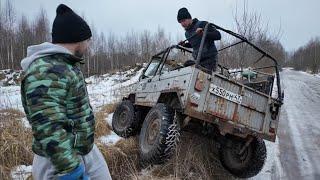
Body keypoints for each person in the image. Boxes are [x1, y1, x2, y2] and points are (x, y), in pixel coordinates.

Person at [20, 4, 112, 180]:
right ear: (77, 39)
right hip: (59, 160)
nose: (88, 44)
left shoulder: (64, 65)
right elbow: (48, 126)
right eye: (87, 40)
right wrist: (70, 170)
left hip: (82, 150)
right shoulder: (46, 71)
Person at [177, 7, 221, 72]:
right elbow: (195, 44)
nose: (182, 24)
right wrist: (184, 45)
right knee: (186, 65)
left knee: (203, 78)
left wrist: (204, 33)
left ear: (189, 18)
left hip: (210, 59)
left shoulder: (202, 24)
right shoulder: (187, 33)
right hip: (198, 60)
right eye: (180, 22)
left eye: (184, 20)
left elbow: (218, 35)